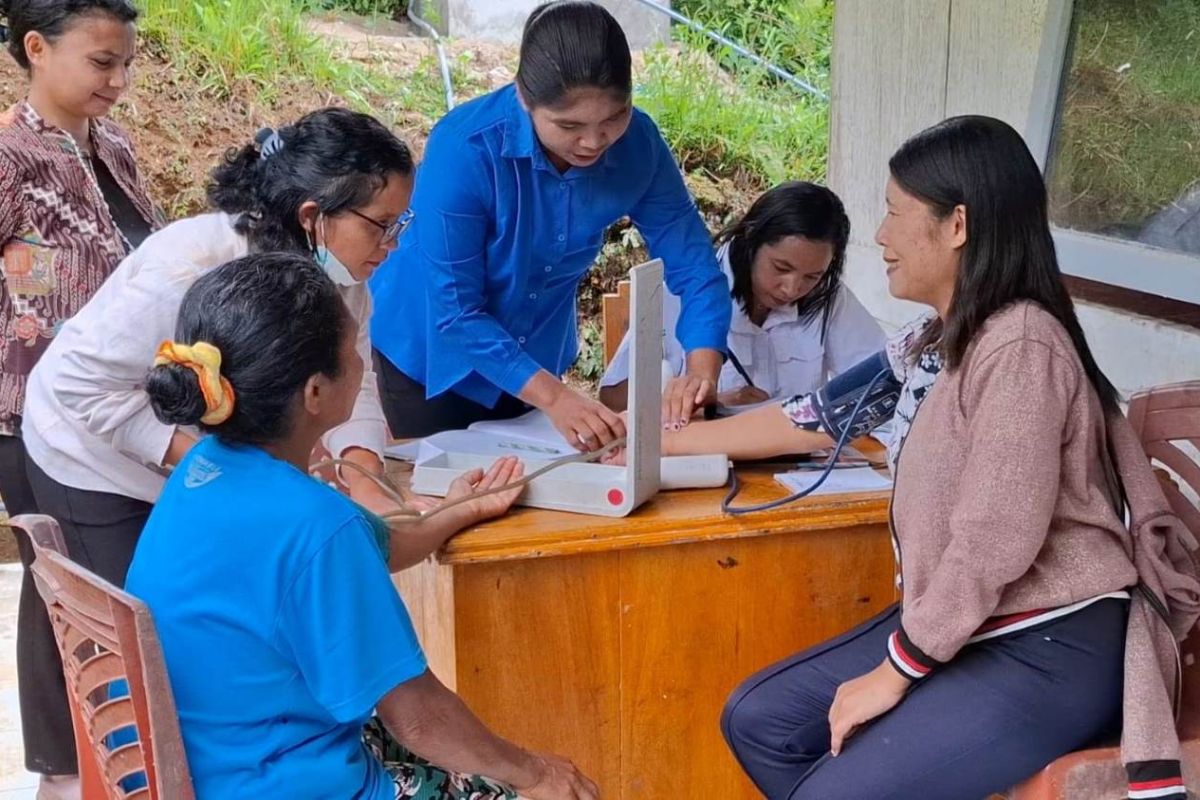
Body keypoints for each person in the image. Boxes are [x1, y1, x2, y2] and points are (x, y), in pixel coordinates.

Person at [713, 116, 1197, 799]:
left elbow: (995, 540)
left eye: (893, 213)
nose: (880, 237)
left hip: (1048, 645)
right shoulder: (938, 339)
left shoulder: (1021, 345)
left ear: (957, 225)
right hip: (980, 624)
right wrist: (646, 442)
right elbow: (816, 415)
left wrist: (894, 672)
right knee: (761, 719)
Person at [126, 253, 597, 800]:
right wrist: (537, 773)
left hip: (211, 762)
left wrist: (459, 510)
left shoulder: (202, 472)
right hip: (282, 782)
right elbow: (416, 717)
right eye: (351, 350)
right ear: (315, 393)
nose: (361, 361)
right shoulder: (314, 524)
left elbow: (377, 546)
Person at [22, 108, 502, 593]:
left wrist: (368, 483)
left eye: (400, 225)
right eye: (381, 225)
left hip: (210, 466)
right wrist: (229, 472)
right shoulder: (188, 271)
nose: (392, 246)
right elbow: (80, 387)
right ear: (312, 216)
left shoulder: (340, 273)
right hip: (92, 451)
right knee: (124, 629)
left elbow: (353, 380)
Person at [369, 0, 731, 448]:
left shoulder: (639, 146)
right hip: (431, 357)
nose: (594, 141)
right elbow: (456, 311)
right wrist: (558, 399)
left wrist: (699, 373)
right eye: (569, 124)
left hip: (535, 352)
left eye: (614, 118)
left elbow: (696, 269)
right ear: (524, 96)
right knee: (447, 497)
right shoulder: (464, 149)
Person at [0, 1, 159, 795]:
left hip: (120, 413)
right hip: (29, 415)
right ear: (36, 47)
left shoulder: (116, 148)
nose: (120, 80)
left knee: (87, 589)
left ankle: (97, 765)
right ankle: (68, 773)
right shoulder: (8, 156)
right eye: (102, 62)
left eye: (126, 61)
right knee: (63, 586)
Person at [599, 182, 884, 413]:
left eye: (812, 276)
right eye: (781, 268)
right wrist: (712, 403)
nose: (792, 288)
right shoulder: (686, 290)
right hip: (703, 460)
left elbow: (881, 377)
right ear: (751, 240)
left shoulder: (828, 298)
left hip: (794, 464)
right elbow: (613, 397)